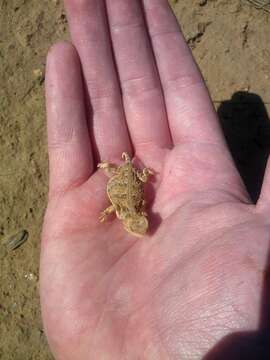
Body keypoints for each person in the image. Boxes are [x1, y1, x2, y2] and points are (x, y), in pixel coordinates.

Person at [40, 0, 270, 359]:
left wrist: (136, 179)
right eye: (140, 221)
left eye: (141, 222)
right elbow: (120, 202)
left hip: (128, 178)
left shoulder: (134, 208)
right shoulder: (124, 208)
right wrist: (117, 188)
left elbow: (130, 198)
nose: (144, 224)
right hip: (123, 179)